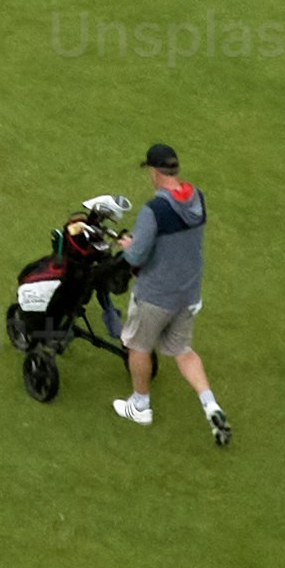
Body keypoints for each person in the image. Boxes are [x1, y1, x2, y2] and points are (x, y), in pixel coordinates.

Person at [110, 141, 227, 445]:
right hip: (188, 294)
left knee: (138, 346)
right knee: (183, 351)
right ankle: (210, 404)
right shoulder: (196, 198)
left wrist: (129, 247)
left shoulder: (154, 210)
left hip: (155, 295)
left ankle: (140, 405)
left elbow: (136, 257)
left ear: (154, 171)